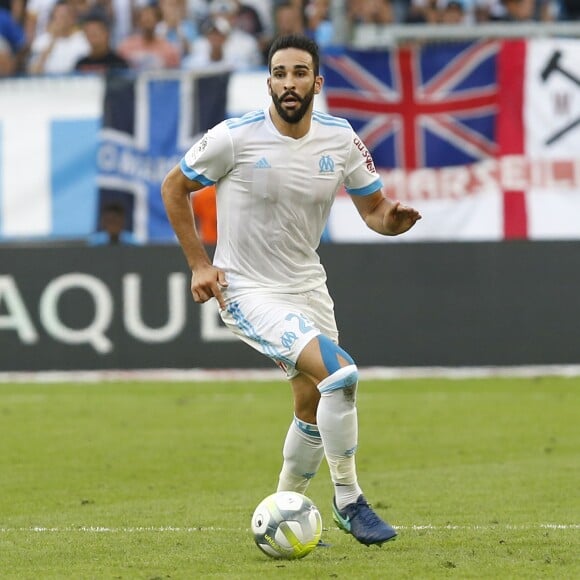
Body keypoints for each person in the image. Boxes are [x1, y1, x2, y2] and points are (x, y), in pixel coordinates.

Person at [161, 34, 421, 547]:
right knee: (341, 374)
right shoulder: (234, 137)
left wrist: (394, 220)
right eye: (279, 73)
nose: (289, 83)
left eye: (299, 73)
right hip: (248, 289)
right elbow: (174, 186)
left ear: (316, 82)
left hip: (307, 285)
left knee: (310, 402)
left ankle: (282, 511)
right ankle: (348, 499)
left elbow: (374, 210)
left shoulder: (340, 138)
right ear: (269, 83)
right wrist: (199, 264)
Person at [74, 8, 129, 73]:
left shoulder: (119, 63)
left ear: (107, 33)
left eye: (95, 33)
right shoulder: (81, 64)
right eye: (88, 33)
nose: (92, 38)